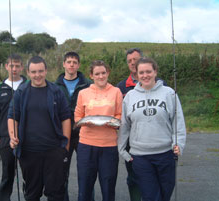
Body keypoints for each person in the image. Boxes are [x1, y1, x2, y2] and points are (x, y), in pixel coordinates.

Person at [118, 57, 186, 201]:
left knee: (165, 194)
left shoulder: (169, 93)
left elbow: (177, 122)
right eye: (141, 72)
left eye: (148, 71)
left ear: (155, 72)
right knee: (150, 196)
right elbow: (125, 126)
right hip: (140, 157)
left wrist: (179, 143)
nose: (145, 75)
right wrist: (122, 150)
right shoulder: (130, 96)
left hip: (165, 154)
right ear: (136, 75)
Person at [7, 56, 71, 201]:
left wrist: (65, 146)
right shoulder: (21, 92)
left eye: (41, 71)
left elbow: (66, 118)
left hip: (54, 152)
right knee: (31, 194)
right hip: (29, 153)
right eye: (34, 72)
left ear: (46, 71)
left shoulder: (56, 91)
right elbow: (12, 117)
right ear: (28, 73)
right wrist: (13, 136)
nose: (37, 75)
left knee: (56, 194)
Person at [117, 48, 167, 201]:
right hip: (132, 145)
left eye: (136, 59)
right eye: (129, 61)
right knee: (134, 179)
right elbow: (121, 116)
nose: (133, 63)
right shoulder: (121, 87)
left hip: (157, 144)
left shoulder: (161, 85)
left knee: (156, 181)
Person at [75, 60, 123, 201]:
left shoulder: (116, 91)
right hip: (86, 146)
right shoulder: (83, 93)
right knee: (85, 187)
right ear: (91, 75)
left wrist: (114, 123)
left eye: (103, 73)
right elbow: (78, 117)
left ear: (107, 73)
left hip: (109, 147)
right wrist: (84, 122)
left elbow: (119, 115)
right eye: (97, 73)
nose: (101, 76)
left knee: (108, 187)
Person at [0, 53, 26, 201]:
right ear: (6, 66)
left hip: (28, 140)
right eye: (11, 66)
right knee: (7, 177)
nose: (14, 69)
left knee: (29, 177)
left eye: (17, 66)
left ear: (22, 67)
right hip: (5, 141)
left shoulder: (29, 86)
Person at [55, 51, 93, 201]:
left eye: (74, 62)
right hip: (63, 135)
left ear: (78, 65)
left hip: (84, 133)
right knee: (62, 171)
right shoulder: (54, 86)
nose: (71, 65)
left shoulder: (88, 85)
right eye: (69, 62)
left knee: (86, 171)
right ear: (64, 64)